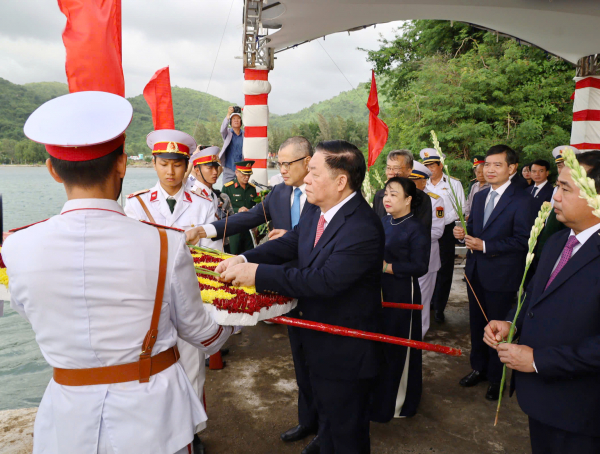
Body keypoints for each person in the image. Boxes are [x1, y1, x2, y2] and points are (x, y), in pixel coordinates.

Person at [2, 91, 232, 454]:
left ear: (51, 169)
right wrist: (230, 323)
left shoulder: (16, 247)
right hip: (153, 420)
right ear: (123, 164)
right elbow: (201, 332)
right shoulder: (166, 246)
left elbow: (24, 307)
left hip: (67, 421)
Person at [216, 140, 384, 454]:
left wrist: (257, 275)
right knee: (327, 412)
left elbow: (325, 281)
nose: (305, 179)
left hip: (345, 349)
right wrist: (245, 259)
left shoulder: (362, 227)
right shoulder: (316, 209)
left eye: (314, 173)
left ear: (341, 181)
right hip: (313, 335)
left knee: (349, 431)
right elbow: (292, 243)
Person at [186, 137, 320, 449]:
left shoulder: (322, 192)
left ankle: (327, 428)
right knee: (300, 358)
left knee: (323, 362)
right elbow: (248, 218)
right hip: (286, 285)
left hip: (318, 284)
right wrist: (206, 230)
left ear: (308, 161)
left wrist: (294, 238)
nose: (282, 169)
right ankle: (307, 420)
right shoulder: (279, 193)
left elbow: (328, 236)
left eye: (288, 163)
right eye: (280, 163)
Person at [484, 150, 600, 454]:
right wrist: (511, 322)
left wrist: (537, 361)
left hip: (583, 410)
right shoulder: (559, 240)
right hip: (541, 401)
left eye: (564, 188)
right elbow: (534, 295)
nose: (555, 197)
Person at [124, 127, 216, 452]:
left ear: (187, 164)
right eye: (164, 163)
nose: (170, 171)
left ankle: (191, 433)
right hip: (151, 301)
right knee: (153, 370)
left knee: (192, 367)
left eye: (177, 163)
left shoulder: (204, 204)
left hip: (191, 297)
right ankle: (158, 433)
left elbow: (209, 252)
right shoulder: (135, 205)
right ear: (154, 162)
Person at [453, 144, 533, 401]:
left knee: (496, 328)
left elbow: (523, 241)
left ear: (512, 168)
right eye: (487, 164)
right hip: (475, 271)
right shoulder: (479, 196)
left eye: (497, 165)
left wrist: (486, 246)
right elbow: (475, 227)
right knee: (476, 325)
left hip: (501, 275)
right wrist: (463, 233)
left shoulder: (523, 201)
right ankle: (479, 368)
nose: (489, 169)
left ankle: (497, 379)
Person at [370, 177, 430, 421]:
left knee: (399, 347)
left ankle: (400, 402)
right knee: (382, 344)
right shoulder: (383, 221)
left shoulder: (415, 227)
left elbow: (420, 265)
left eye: (394, 194)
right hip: (380, 291)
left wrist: (388, 268)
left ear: (408, 200)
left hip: (403, 292)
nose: (387, 198)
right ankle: (381, 396)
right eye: (386, 193)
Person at [421, 148, 466, 323]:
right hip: (424, 231)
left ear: (440, 165)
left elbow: (460, 208)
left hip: (446, 231)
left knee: (444, 270)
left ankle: (439, 306)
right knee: (426, 267)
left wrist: (440, 222)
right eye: (426, 166)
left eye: (432, 165)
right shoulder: (421, 183)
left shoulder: (453, 184)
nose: (429, 169)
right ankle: (428, 302)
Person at [409, 162, 444, 336]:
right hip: (403, 258)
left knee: (421, 300)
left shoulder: (435, 200)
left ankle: (419, 334)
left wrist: (408, 237)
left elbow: (437, 231)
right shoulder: (401, 198)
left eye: (416, 181)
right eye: (409, 180)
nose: (412, 185)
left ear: (424, 182)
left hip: (426, 257)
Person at [372, 149, 432, 231]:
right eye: (388, 168)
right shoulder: (379, 196)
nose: (391, 172)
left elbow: (422, 233)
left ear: (409, 171)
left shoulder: (421, 198)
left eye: (396, 168)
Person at [188, 145, 227, 250]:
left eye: (215, 167)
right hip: (204, 259)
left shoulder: (211, 195)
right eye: (209, 168)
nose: (215, 172)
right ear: (196, 170)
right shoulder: (194, 197)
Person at [221, 160, 258, 254]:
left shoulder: (252, 189)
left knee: (250, 255)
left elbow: (255, 206)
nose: (247, 177)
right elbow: (223, 209)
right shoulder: (228, 188)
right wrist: (238, 210)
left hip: (248, 229)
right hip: (234, 229)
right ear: (236, 172)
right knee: (233, 255)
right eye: (244, 174)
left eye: (249, 175)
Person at [220, 106, 244, 184]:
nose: (236, 120)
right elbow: (222, 129)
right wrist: (228, 114)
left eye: (238, 118)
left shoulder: (245, 135)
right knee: (226, 192)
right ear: (230, 122)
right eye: (233, 119)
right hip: (229, 169)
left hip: (242, 170)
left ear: (241, 122)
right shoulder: (227, 133)